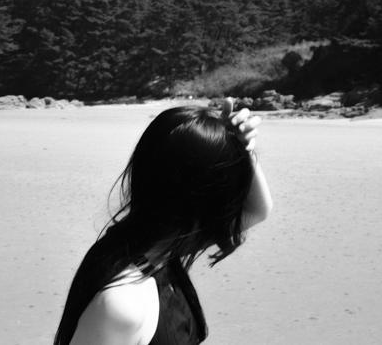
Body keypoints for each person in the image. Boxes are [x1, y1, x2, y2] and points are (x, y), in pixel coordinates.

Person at [54, 97, 273, 345]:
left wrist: (244, 149)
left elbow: (258, 210)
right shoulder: (123, 305)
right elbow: (256, 211)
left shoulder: (153, 251)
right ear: (207, 201)